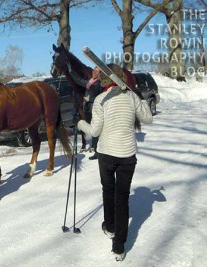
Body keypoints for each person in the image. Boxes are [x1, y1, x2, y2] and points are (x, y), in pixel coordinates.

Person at [77, 64, 153, 261]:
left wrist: (80, 123)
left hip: (107, 154)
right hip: (127, 155)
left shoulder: (101, 99)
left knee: (108, 190)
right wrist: (137, 96)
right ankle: (119, 247)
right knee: (122, 198)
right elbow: (148, 118)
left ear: (104, 79)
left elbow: (94, 132)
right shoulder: (131, 96)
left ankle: (110, 227)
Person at [67, 63, 102, 159]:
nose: (94, 73)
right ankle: (96, 148)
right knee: (91, 127)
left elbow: (99, 95)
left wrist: (90, 97)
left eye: (96, 72)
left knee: (95, 128)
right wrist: (70, 71)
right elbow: (79, 80)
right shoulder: (90, 81)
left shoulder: (99, 83)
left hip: (94, 108)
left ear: (100, 74)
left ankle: (96, 150)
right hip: (87, 107)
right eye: (93, 71)